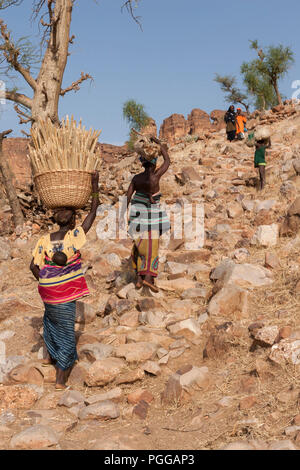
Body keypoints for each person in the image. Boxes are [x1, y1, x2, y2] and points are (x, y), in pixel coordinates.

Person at [30, 171, 99, 390]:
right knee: (68, 332)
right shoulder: (66, 238)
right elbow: (94, 212)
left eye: (66, 210)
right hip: (62, 293)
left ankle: (49, 355)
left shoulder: (55, 238)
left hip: (49, 292)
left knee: (50, 321)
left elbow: (33, 266)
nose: (63, 212)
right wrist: (95, 184)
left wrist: (47, 281)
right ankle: (61, 378)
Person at [122, 137, 170, 292]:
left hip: (137, 214)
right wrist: (157, 141)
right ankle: (148, 279)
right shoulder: (155, 176)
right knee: (151, 245)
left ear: (142, 162)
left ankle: (138, 277)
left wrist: (123, 214)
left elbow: (128, 197)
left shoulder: (136, 178)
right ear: (155, 162)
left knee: (139, 243)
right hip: (151, 215)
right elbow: (168, 160)